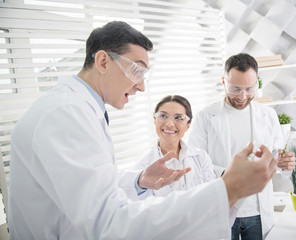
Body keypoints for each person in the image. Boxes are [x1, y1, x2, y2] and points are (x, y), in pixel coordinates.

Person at [8, 21, 277, 240]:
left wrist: (138, 182)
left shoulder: (78, 110)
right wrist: (226, 190)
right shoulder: (65, 114)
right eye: (137, 71)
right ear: (103, 61)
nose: (141, 87)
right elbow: (107, 223)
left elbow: (87, 186)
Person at [188, 53, 296, 240]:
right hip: (222, 207)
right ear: (224, 82)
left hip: (258, 211)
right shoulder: (206, 117)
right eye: (235, 88)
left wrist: (285, 163)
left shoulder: (268, 115)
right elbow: (196, 164)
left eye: (249, 89)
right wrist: (229, 174)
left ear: (257, 85)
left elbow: (277, 156)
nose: (242, 96)